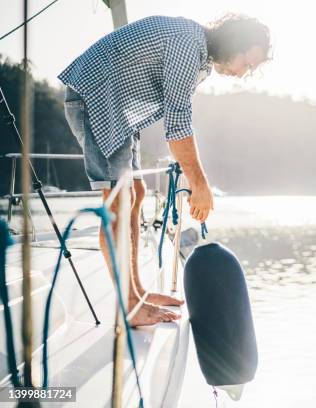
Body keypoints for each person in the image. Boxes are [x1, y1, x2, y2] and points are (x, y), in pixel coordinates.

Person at [59, 13, 272, 326]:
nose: (244, 73)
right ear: (234, 44)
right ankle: (129, 306)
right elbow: (177, 124)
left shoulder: (198, 53)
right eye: (247, 63)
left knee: (137, 192)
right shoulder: (188, 46)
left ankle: (137, 293)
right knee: (117, 202)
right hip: (97, 99)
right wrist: (199, 184)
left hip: (115, 105)